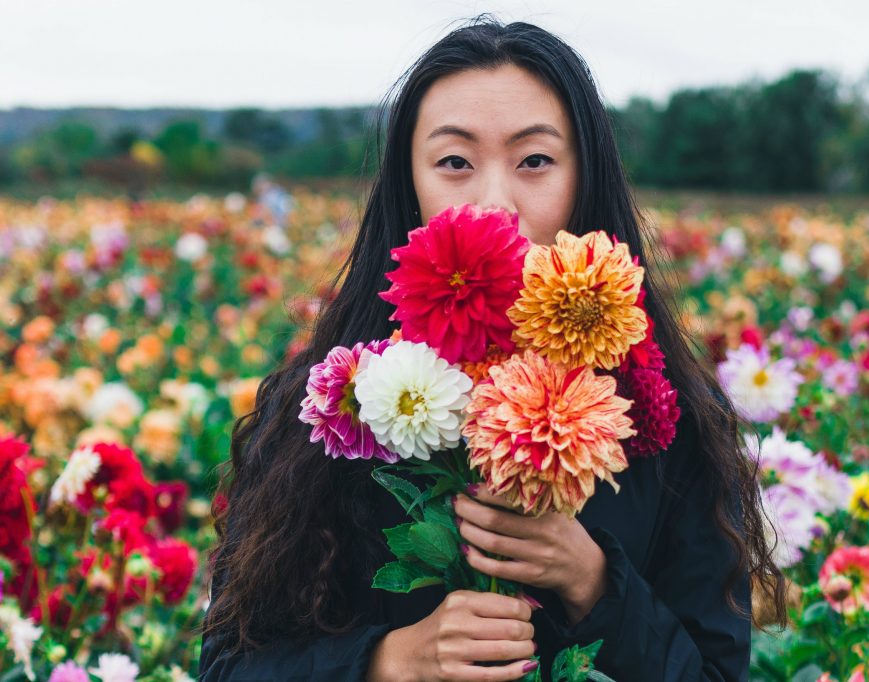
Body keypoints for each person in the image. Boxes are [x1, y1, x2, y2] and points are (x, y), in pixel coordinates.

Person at [197, 15, 787, 682]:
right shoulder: (338, 402)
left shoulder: (666, 415)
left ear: (585, 178)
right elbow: (224, 666)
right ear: (408, 185)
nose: (495, 203)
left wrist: (593, 580)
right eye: (454, 162)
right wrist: (388, 664)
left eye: (535, 161)